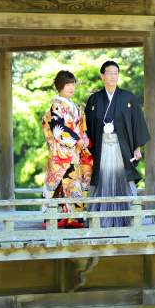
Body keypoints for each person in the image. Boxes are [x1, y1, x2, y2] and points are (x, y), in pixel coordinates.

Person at [85, 60, 150, 227]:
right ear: (102, 76)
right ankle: (100, 220)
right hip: (101, 147)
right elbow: (87, 126)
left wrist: (137, 148)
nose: (113, 76)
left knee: (125, 178)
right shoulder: (94, 99)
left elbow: (137, 122)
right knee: (103, 179)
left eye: (116, 73)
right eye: (110, 73)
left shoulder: (128, 97)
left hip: (122, 147)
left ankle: (129, 218)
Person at [41, 70, 93, 229]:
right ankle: (56, 218)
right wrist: (77, 140)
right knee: (58, 186)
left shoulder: (73, 106)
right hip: (61, 153)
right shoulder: (56, 106)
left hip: (74, 153)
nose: (71, 88)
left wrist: (84, 138)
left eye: (73, 85)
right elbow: (58, 129)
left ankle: (72, 218)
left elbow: (81, 127)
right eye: (68, 85)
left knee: (73, 184)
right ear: (60, 86)